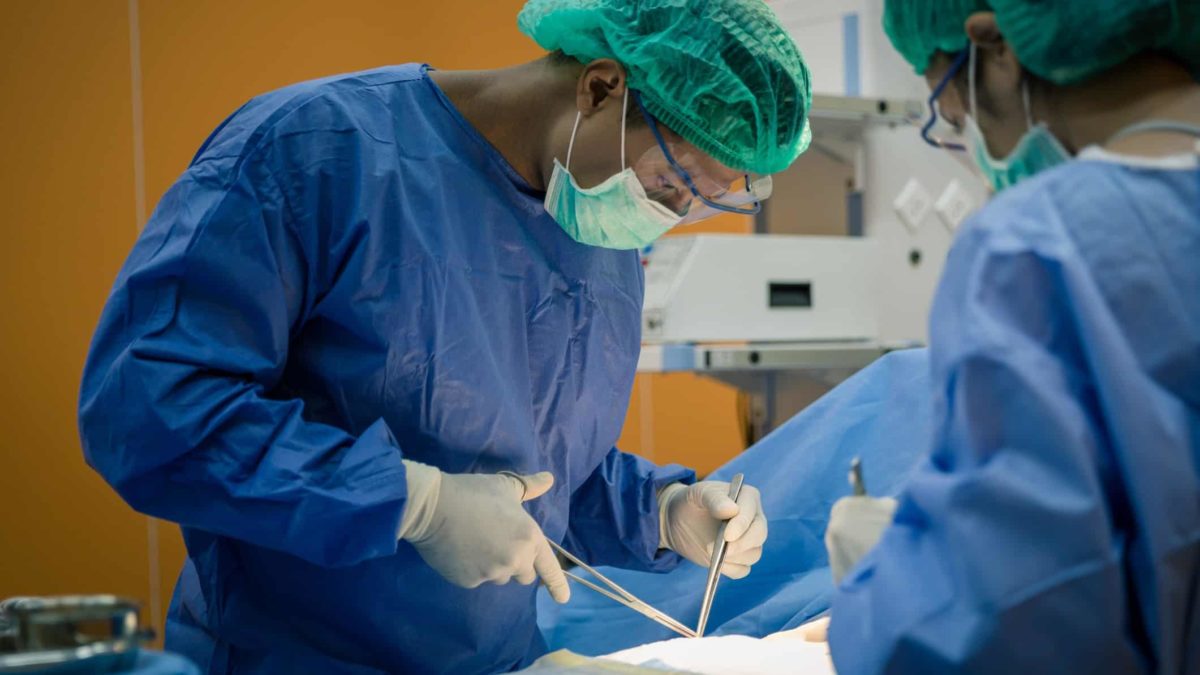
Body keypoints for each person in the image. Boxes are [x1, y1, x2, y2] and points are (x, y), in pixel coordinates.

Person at [76, 1, 811, 672]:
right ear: (598, 88)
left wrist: (662, 511)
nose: (667, 214)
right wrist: (411, 502)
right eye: (670, 181)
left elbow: (541, 470)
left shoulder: (601, 234)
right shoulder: (314, 154)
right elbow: (149, 408)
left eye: (701, 203)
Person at [824, 1, 1200, 673]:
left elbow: (1009, 626)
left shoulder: (1040, 243)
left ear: (995, 46)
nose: (971, 146)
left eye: (955, 113)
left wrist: (889, 585)